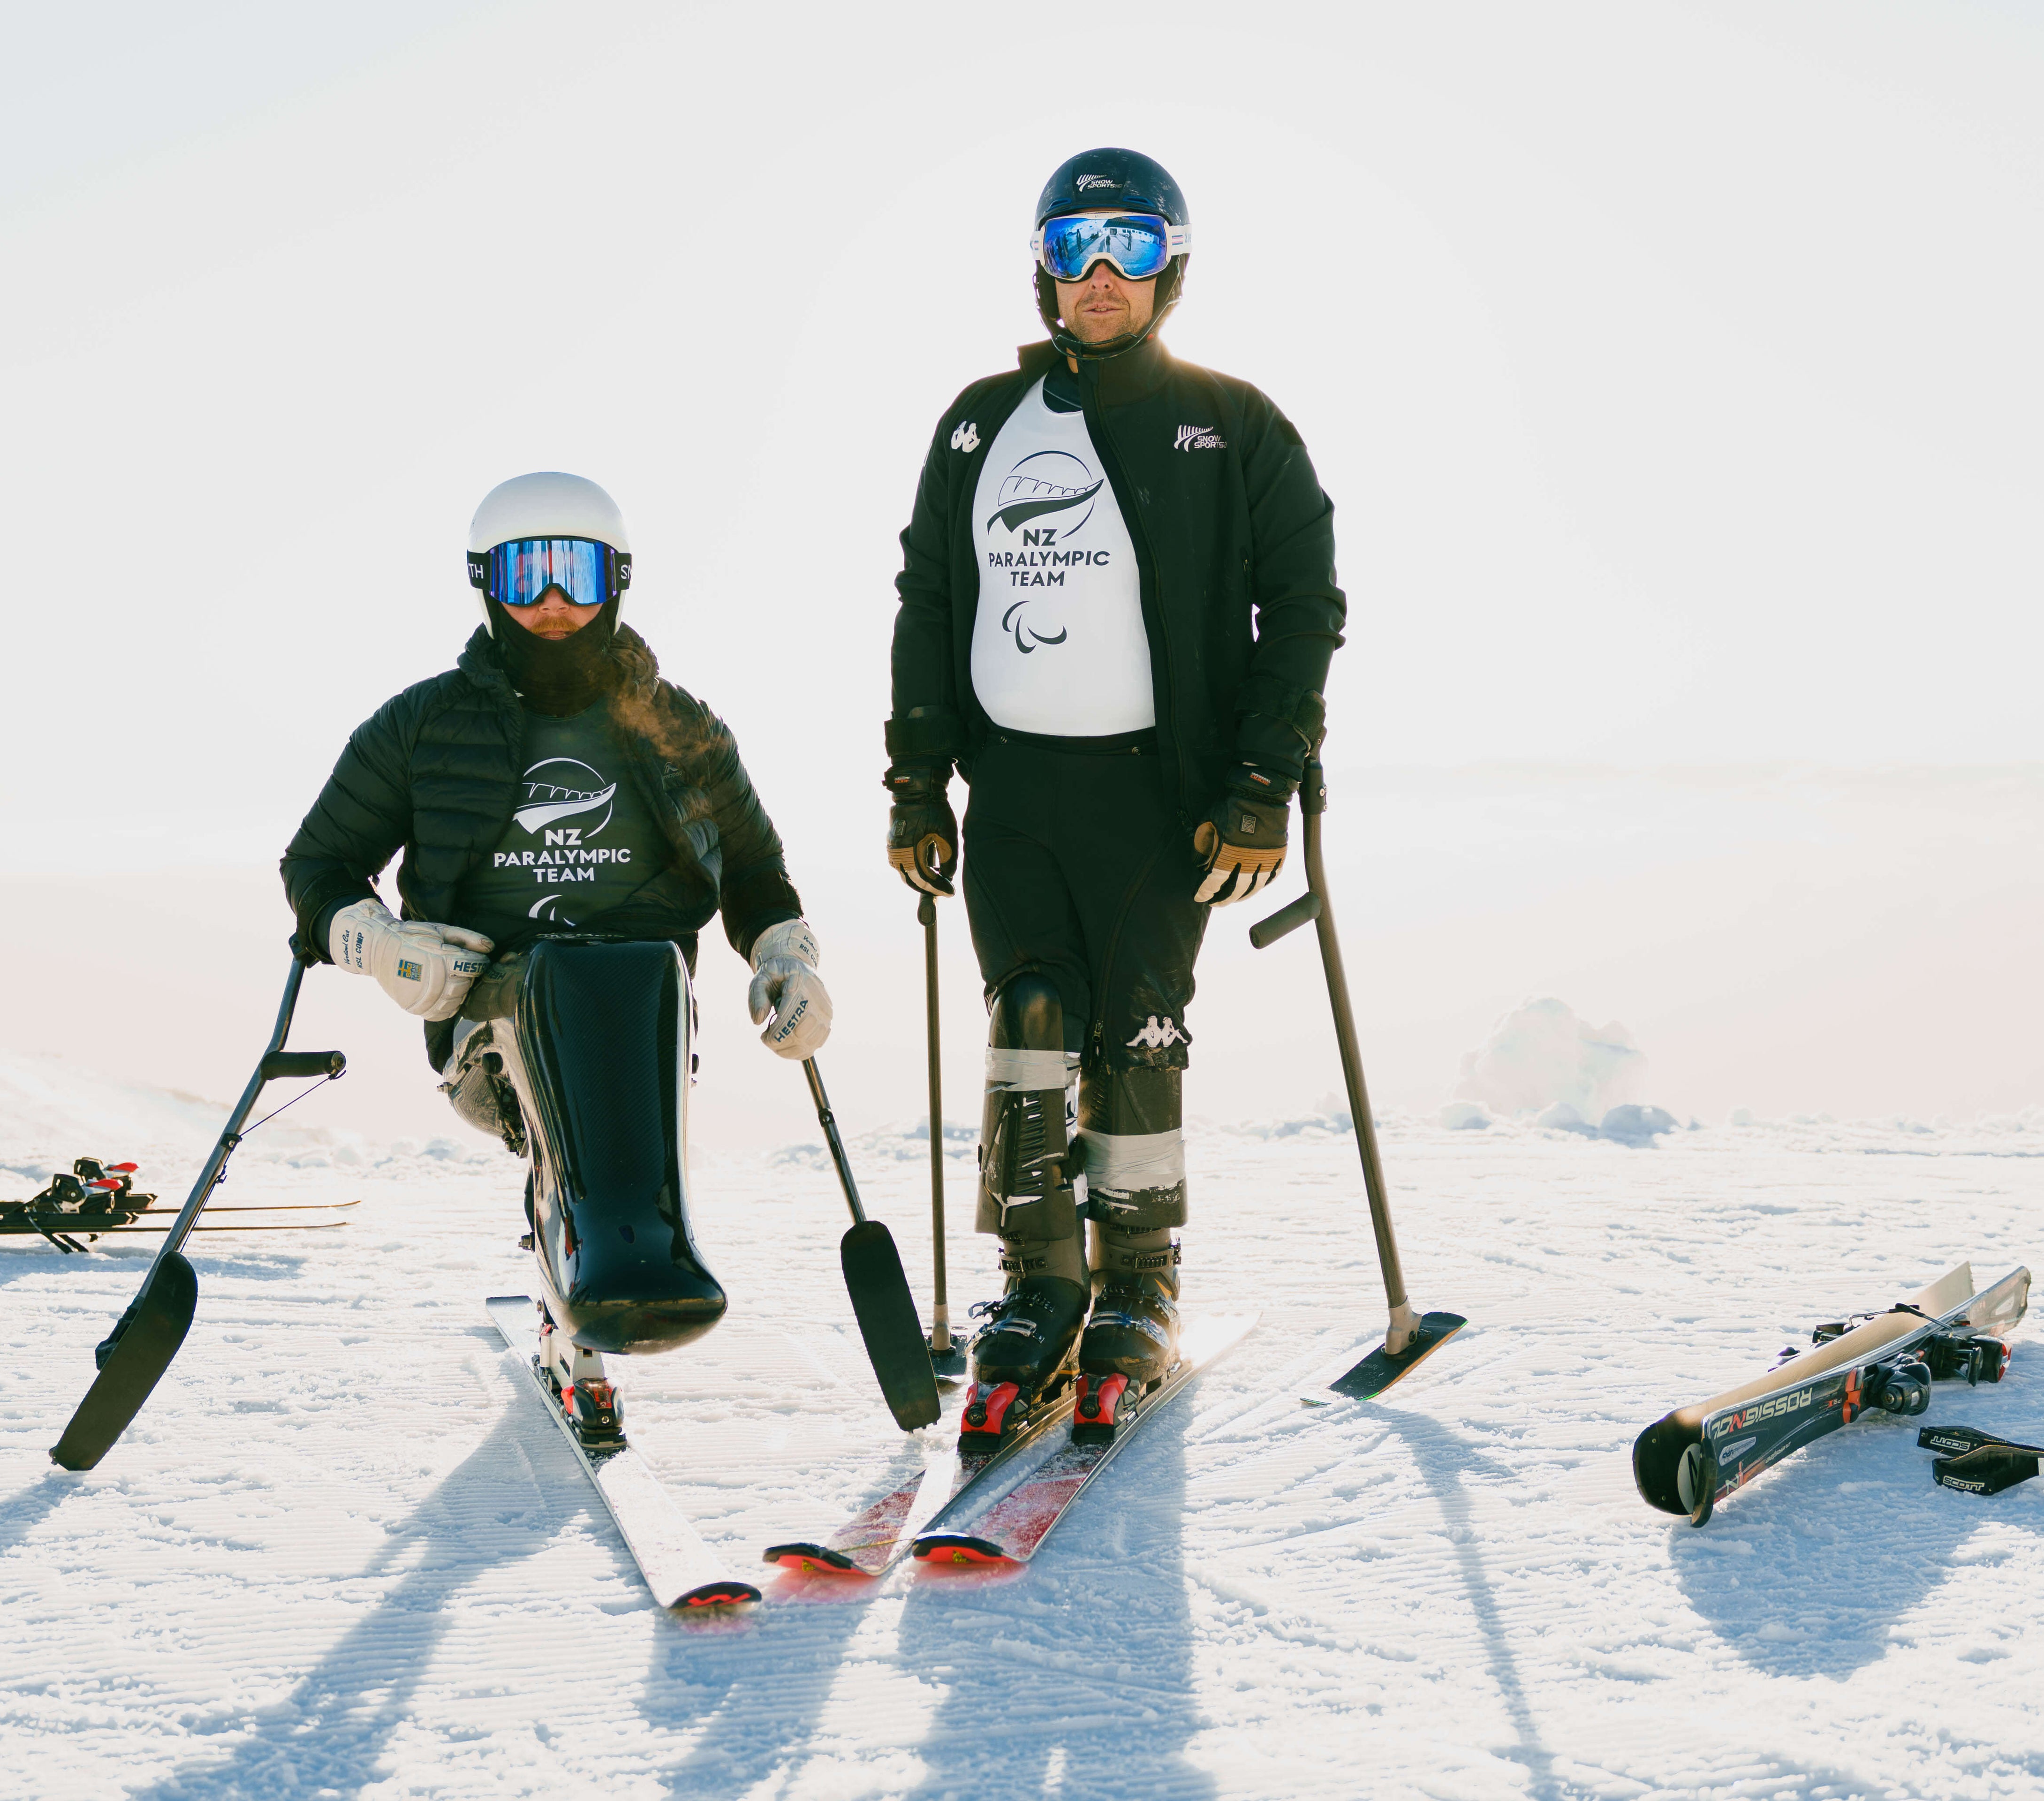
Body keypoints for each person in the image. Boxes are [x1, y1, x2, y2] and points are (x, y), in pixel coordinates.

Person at [881, 148, 1345, 1434]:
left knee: (1136, 1027)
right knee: (1029, 1019)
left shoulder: (1231, 422)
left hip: (1160, 793)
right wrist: (916, 783)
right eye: (1073, 247)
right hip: (1014, 789)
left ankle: (1139, 1283)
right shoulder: (979, 422)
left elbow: (1304, 604)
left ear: (1170, 269)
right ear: (1040, 267)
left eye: (1130, 246)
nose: (1099, 274)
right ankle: (1039, 1284)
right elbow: (929, 601)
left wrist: (1263, 782)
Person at [281, 471, 831, 1436]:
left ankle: (623, 1249)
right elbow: (318, 865)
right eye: (522, 574)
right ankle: (621, 1261)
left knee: (627, 968)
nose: (550, 603)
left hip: (644, 1028)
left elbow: (752, 868)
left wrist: (786, 956)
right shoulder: (421, 727)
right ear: (484, 584)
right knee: (567, 973)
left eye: (574, 574)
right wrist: (382, 946)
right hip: (488, 1024)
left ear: (615, 580)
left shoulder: (680, 729)